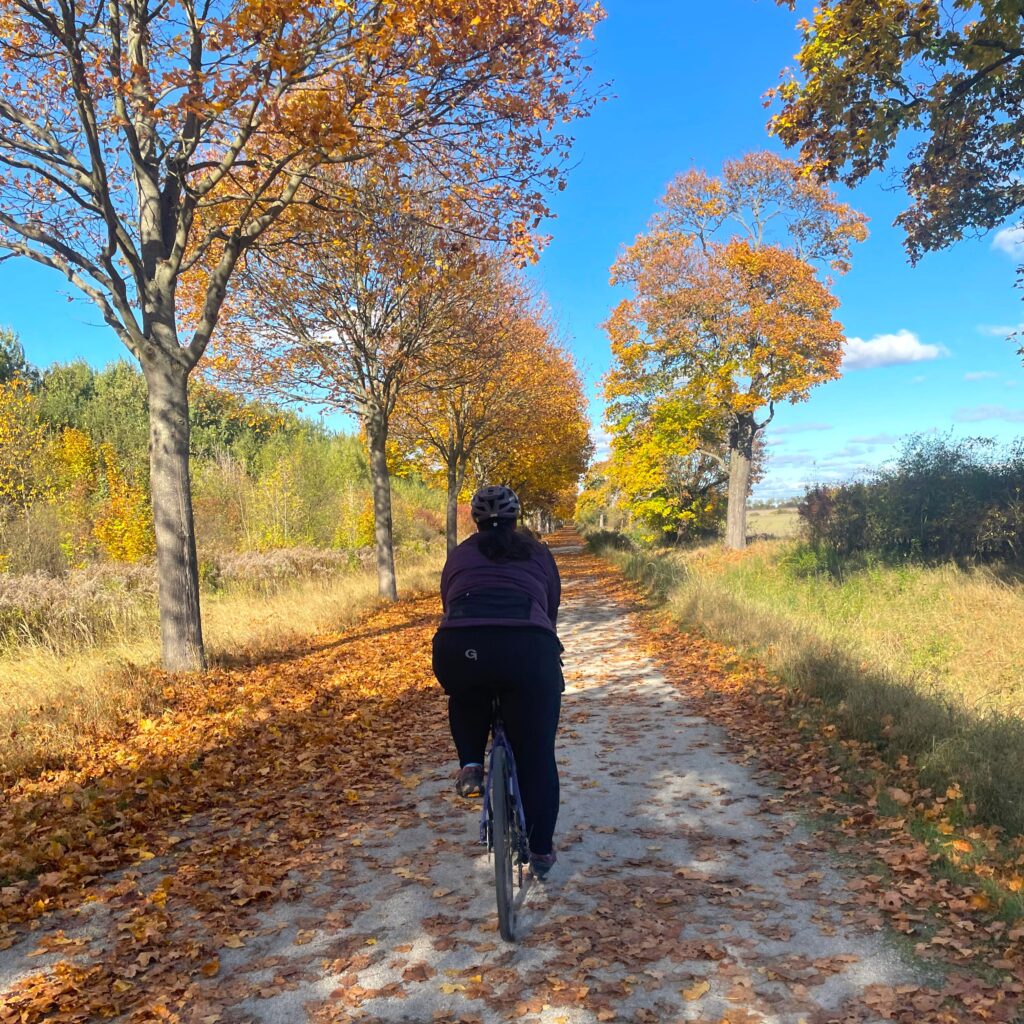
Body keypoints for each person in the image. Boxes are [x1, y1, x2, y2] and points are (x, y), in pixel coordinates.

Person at [431, 484, 564, 880]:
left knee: (466, 691)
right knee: (538, 759)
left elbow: (448, 602)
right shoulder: (538, 552)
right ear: (515, 519)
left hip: (460, 645)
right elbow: (551, 606)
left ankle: (471, 763)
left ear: (474, 520)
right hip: (529, 648)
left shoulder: (460, 554)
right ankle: (540, 852)